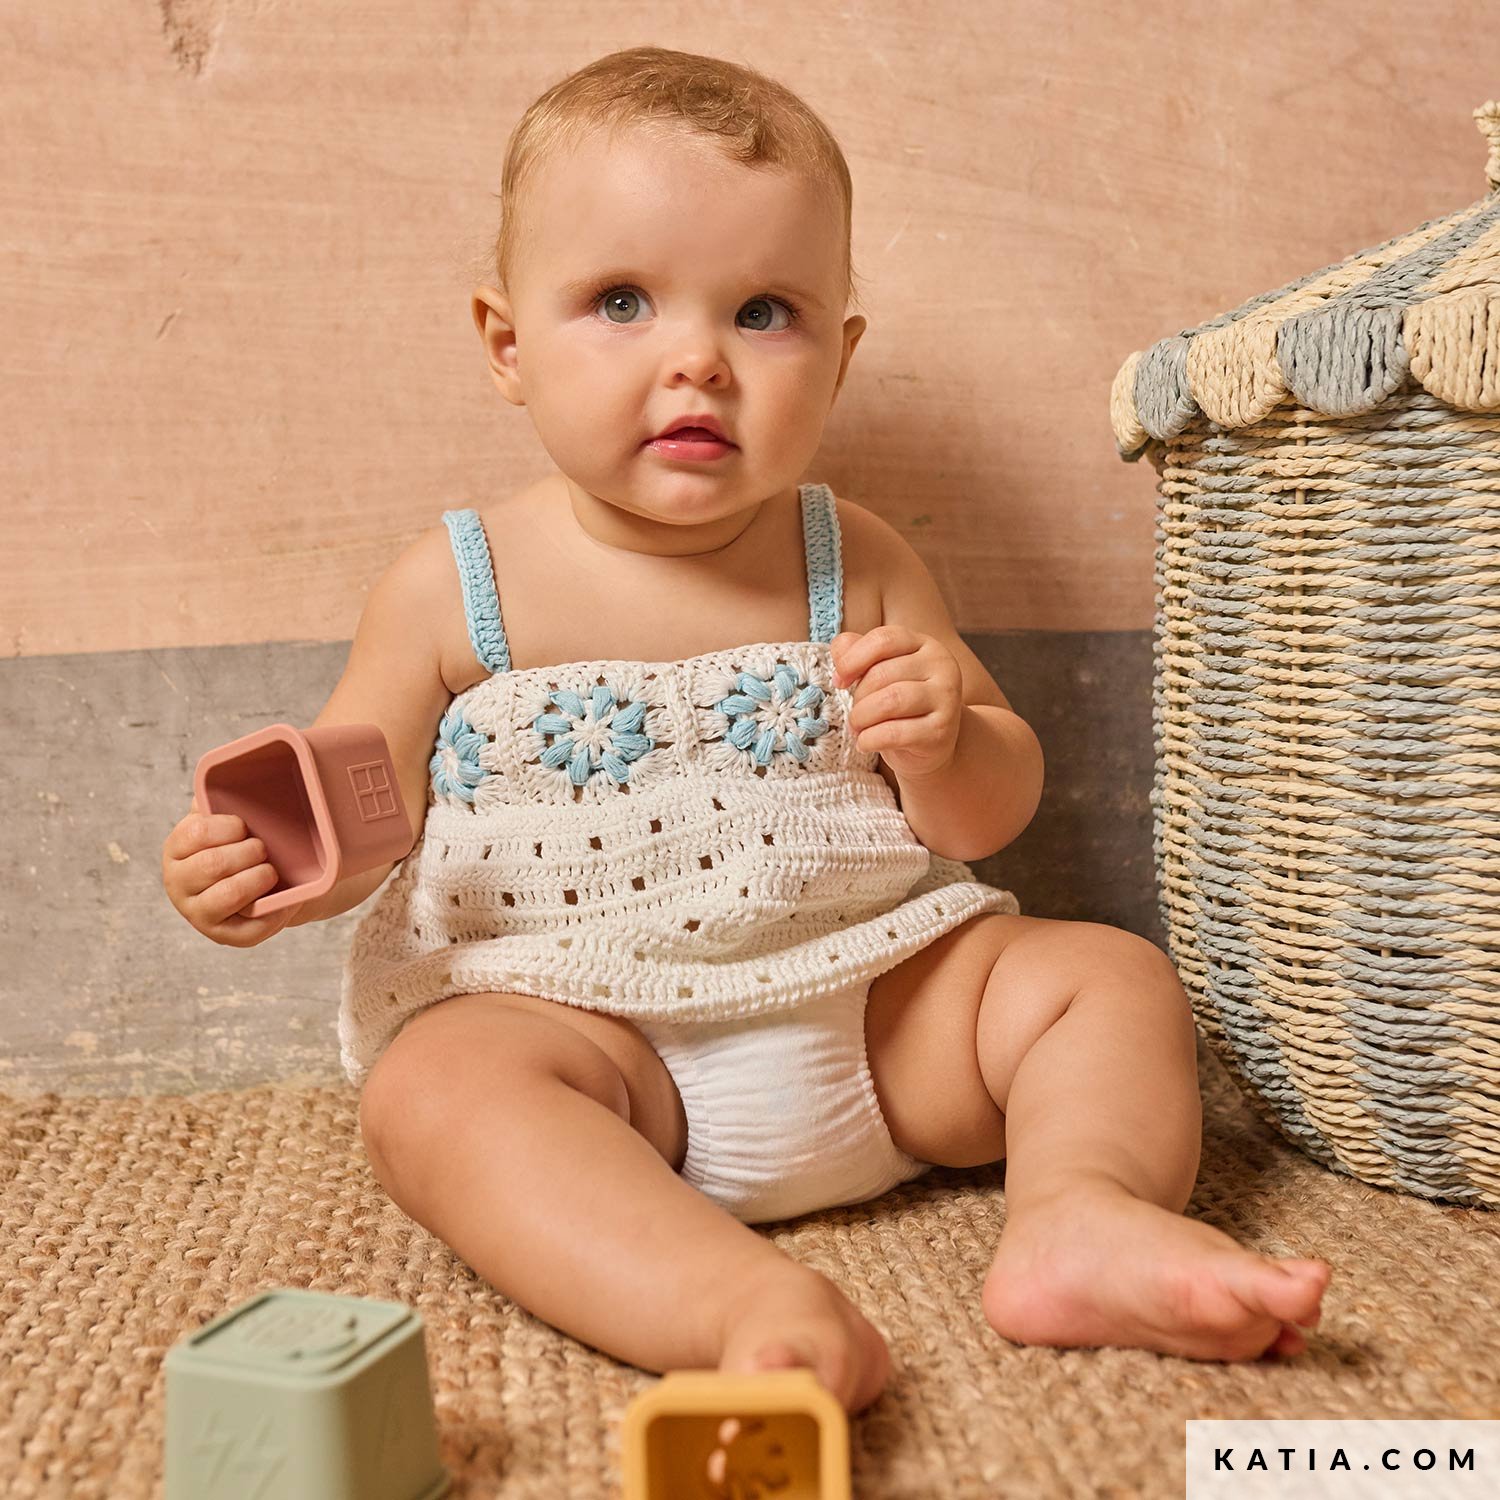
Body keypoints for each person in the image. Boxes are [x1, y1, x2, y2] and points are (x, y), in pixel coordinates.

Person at [162, 46, 1330, 1416]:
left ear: (839, 357)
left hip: (882, 1011)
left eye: (765, 312)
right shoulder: (454, 586)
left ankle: (1083, 1212)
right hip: (595, 1042)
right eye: (621, 302)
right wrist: (266, 868)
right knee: (435, 1096)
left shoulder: (857, 556)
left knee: (1105, 979)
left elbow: (983, 813)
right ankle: (731, 1305)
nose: (698, 361)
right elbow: (364, 808)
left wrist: (947, 740)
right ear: (508, 344)